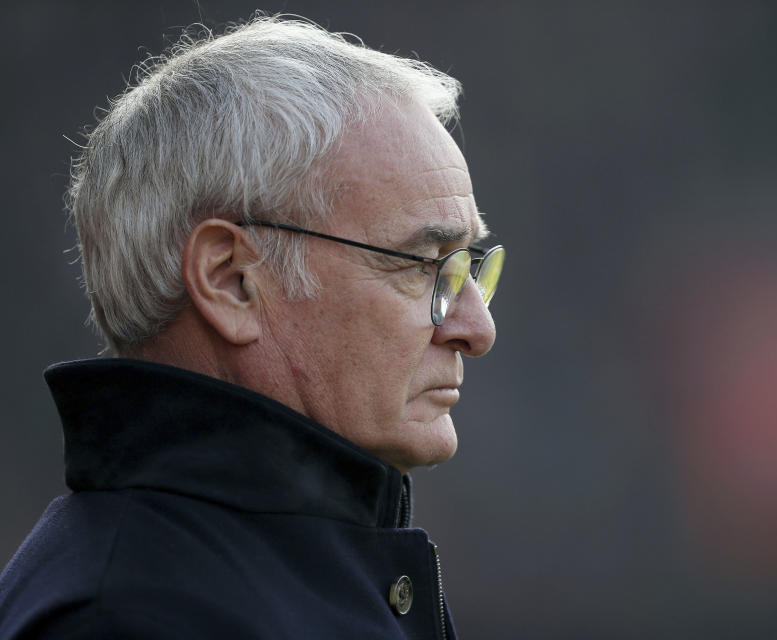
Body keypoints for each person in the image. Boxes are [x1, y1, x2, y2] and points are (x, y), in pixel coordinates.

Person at [0, 16, 503, 639]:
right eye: (423, 264)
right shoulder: (130, 620)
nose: (476, 328)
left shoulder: (206, 585)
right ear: (232, 279)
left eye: (469, 268)